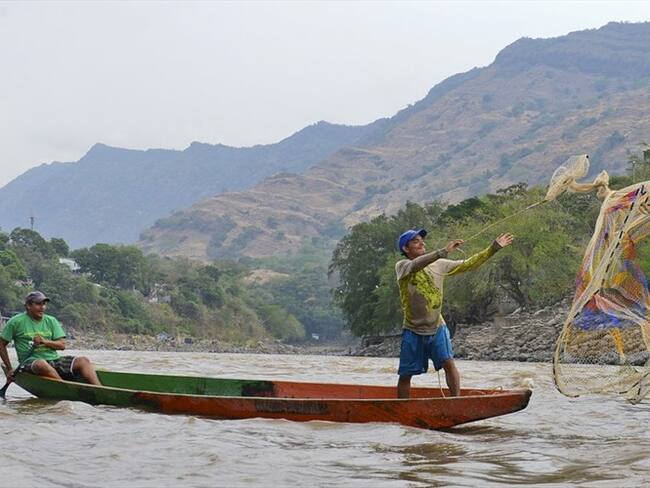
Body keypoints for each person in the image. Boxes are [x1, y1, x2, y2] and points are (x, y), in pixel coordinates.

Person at [395, 229, 514, 398]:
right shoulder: (402, 267)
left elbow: (469, 263)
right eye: (415, 241)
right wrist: (443, 251)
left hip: (437, 325)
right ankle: (402, 409)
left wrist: (493, 248)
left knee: (448, 363)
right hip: (413, 328)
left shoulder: (440, 265)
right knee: (406, 374)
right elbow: (416, 265)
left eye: (422, 240)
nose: (422, 243)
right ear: (406, 249)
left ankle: (455, 400)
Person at [0, 291, 101, 386]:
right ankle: (66, 389)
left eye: (44, 304)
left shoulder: (51, 320)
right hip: (30, 362)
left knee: (83, 361)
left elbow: (62, 345)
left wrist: (44, 341)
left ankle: (100, 390)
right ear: (28, 306)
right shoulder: (15, 322)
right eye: (38, 304)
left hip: (54, 360)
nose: (42, 307)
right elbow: (1, 344)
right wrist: (9, 368)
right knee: (41, 364)